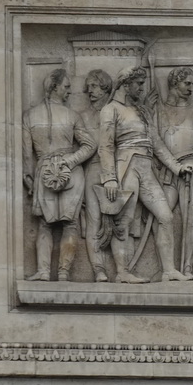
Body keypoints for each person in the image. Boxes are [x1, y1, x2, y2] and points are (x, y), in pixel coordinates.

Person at [97, 66, 190, 283]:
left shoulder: (143, 111)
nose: (142, 88)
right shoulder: (110, 109)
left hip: (146, 168)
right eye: (138, 84)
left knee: (165, 216)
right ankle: (122, 273)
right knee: (123, 221)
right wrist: (109, 178)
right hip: (126, 166)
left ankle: (169, 270)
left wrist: (176, 167)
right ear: (125, 84)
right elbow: (106, 146)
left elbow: (156, 144)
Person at [22, 68, 96, 282]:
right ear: (54, 87)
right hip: (71, 171)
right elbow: (90, 145)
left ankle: (45, 272)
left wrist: (28, 175)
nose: (69, 92)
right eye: (66, 87)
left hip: (44, 169)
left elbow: (28, 156)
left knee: (46, 225)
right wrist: (70, 160)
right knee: (68, 224)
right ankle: (62, 274)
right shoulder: (72, 115)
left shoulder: (29, 115)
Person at [150, 67, 193, 280]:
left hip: (192, 168)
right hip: (167, 171)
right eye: (186, 83)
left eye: (192, 84)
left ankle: (188, 268)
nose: (190, 88)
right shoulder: (158, 110)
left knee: (191, 219)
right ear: (174, 84)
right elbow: (155, 143)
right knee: (162, 216)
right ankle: (166, 268)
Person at [79, 68, 114, 282]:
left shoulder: (117, 111)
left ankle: (122, 268)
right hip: (92, 169)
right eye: (87, 86)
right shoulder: (83, 117)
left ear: (104, 87)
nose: (88, 90)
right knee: (93, 220)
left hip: (117, 171)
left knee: (120, 220)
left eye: (93, 86)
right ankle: (98, 269)